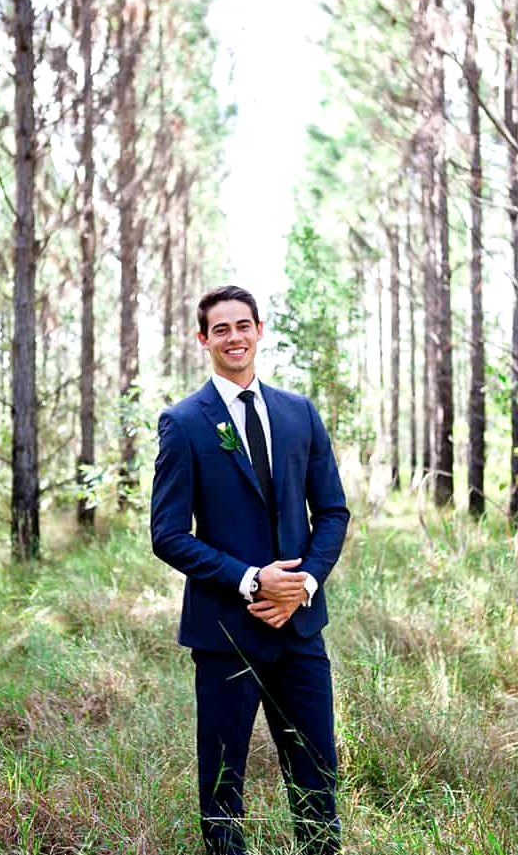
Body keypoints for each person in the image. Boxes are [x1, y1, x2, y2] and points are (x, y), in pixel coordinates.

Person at [151, 285, 350, 855]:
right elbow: (167, 535)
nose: (234, 337)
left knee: (317, 774)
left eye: (243, 326)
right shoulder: (184, 422)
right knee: (222, 784)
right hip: (224, 635)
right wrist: (251, 579)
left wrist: (302, 584)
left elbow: (332, 511)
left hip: (301, 629)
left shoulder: (298, 412)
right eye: (221, 329)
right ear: (203, 340)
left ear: (260, 330)